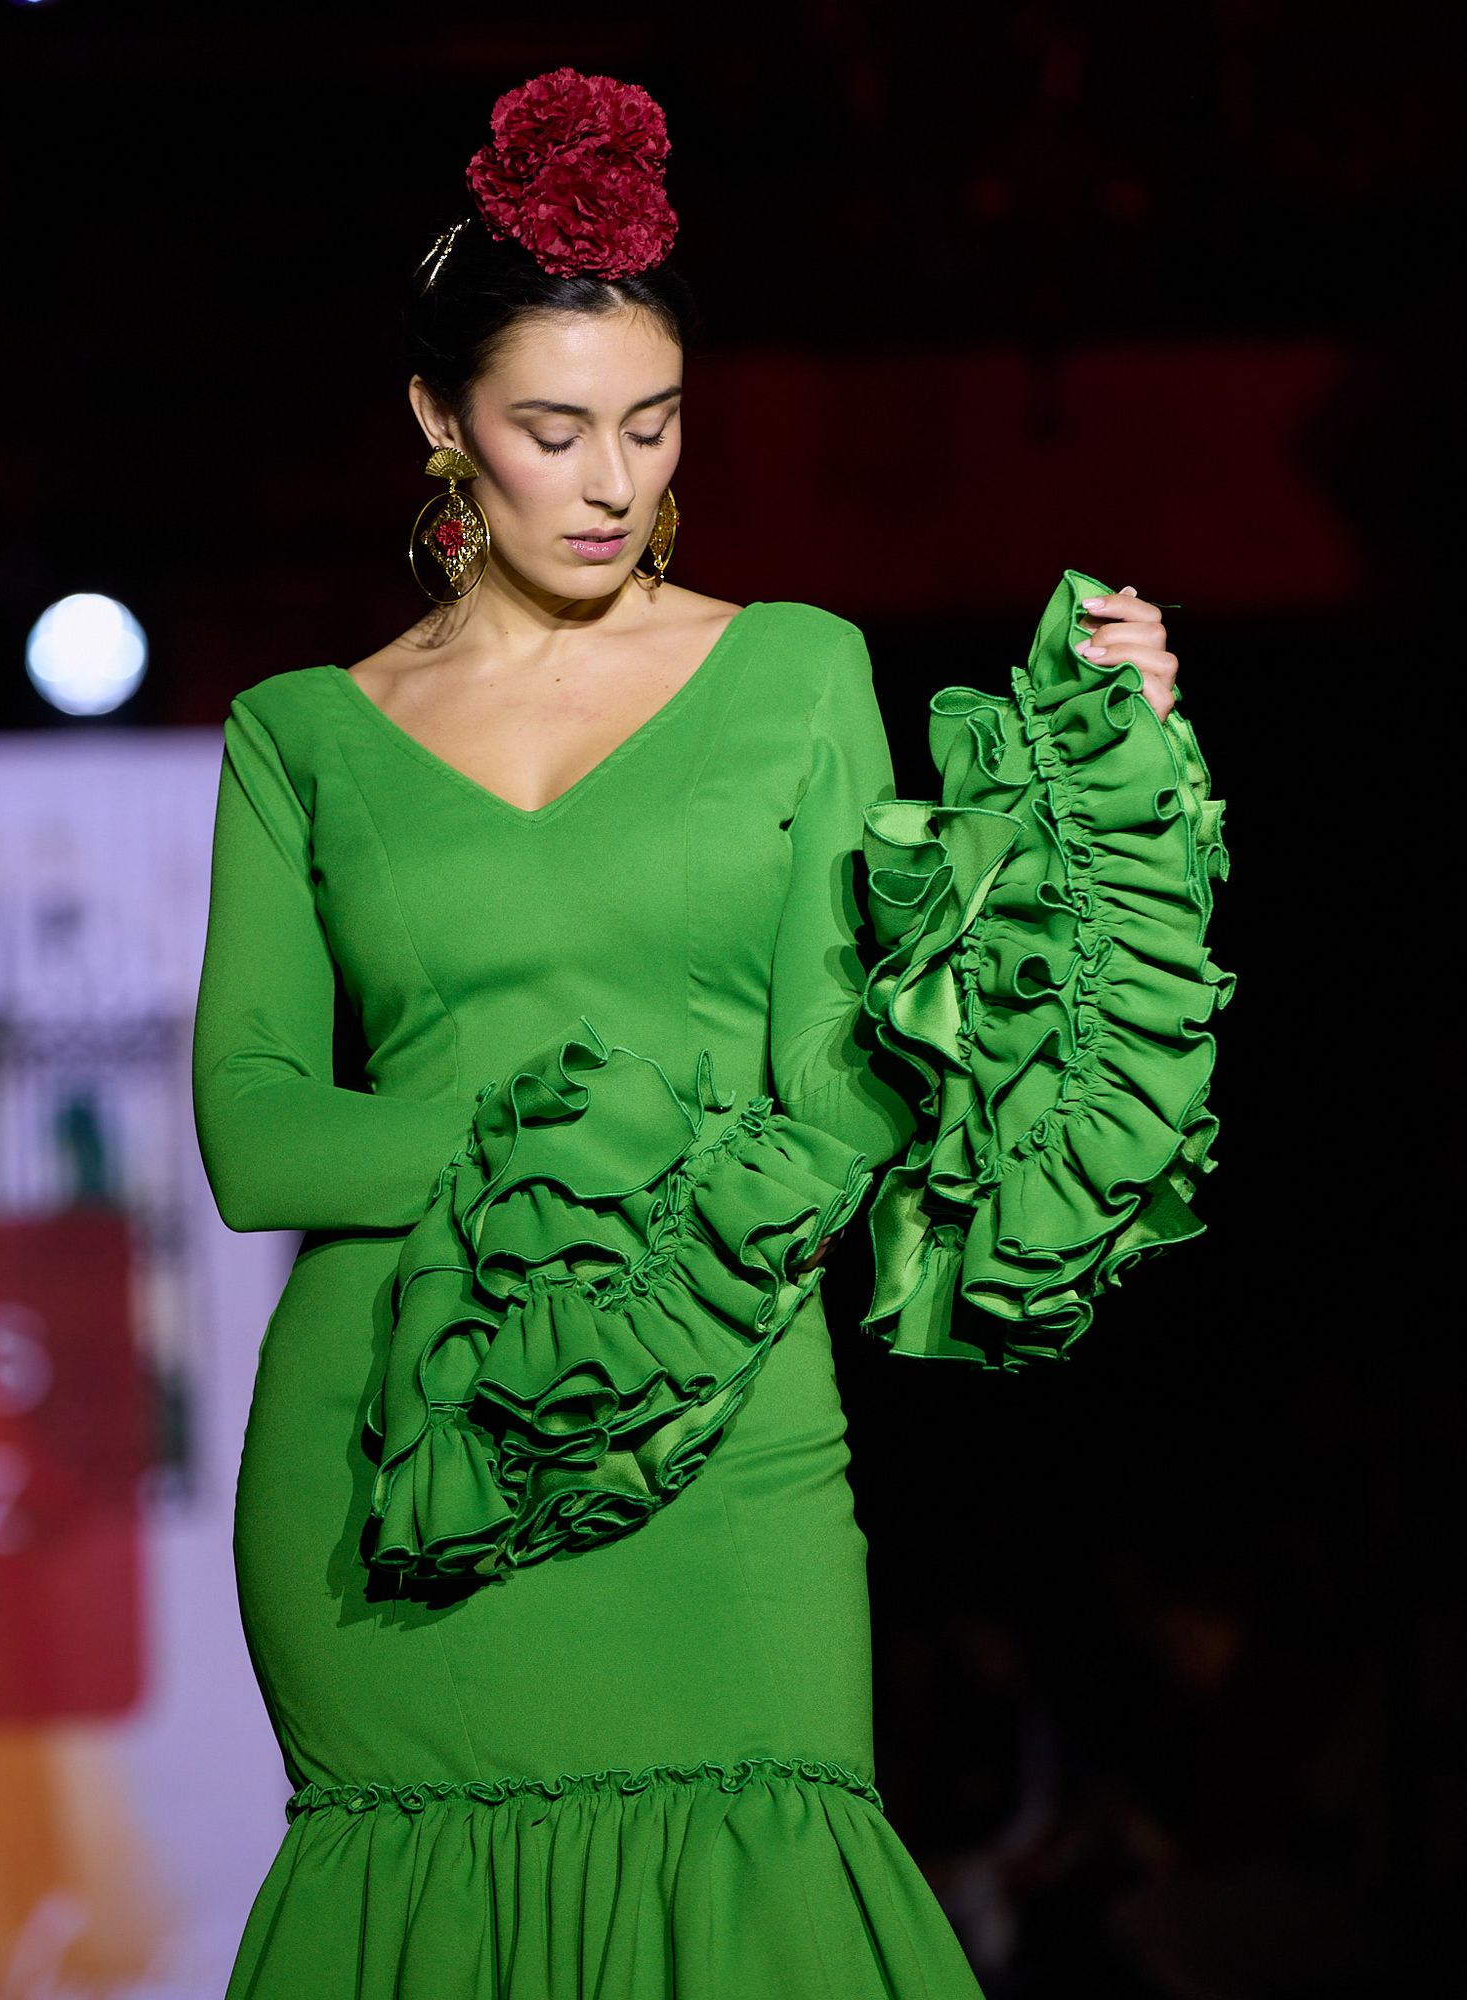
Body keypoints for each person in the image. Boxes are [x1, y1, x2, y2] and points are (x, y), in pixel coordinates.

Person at [191, 66, 1230, 1999]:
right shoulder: (302, 737)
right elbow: (259, 1138)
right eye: (553, 429)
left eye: (651, 427)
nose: (609, 482)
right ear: (440, 422)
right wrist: (615, 1131)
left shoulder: (795, 671)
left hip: (721, 1416)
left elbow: (843, 1082)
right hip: (394, 1449)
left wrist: (1107, 767)